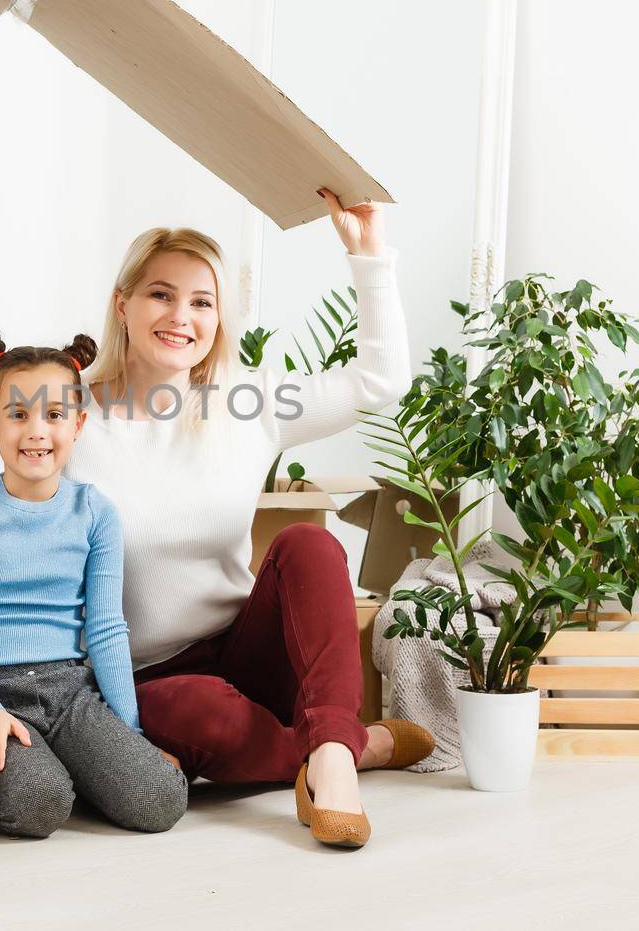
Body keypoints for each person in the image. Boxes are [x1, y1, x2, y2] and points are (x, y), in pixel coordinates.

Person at [65, 188, 435, 849]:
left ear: (218, 317)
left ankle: (330, 761)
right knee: (201, 712)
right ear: (123, 304)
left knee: (308, 546)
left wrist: (368, 253)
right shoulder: (68, 416)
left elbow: (381, 381)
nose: (182, 316)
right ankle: (349, 746)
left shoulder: (248, 400)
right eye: (160, 294)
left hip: (251, 650)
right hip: (145, 674)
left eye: (201, 302)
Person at [0, 330, 188, 839]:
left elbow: (107, 629)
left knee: (161, 799)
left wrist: (128, 735)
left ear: (78, 424)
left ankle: (77, 771)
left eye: (54, 415)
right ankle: (33, 775)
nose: (36, 431)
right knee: (39, 805)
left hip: (68, 691)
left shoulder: (95, 514)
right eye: (18, 415)